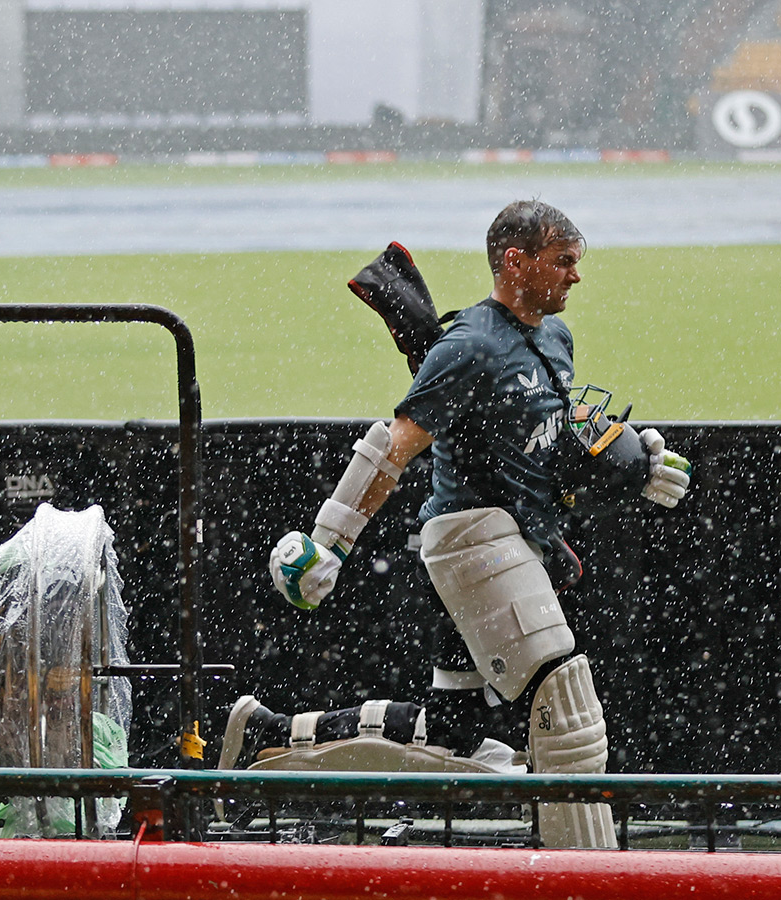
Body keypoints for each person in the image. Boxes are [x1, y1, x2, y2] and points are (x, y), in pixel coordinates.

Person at [219, 200, 692, 849]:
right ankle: (589, 875)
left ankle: (268, 736)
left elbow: (543, 442)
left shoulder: (554, 340)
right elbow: (395, 447)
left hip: (518, 538)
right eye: (564, 262)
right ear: (515, 261)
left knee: (453, 734)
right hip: (475, 539)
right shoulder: (469, 345)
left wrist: (632, 459)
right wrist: (328, 541)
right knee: (567, 704)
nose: (575, 277)